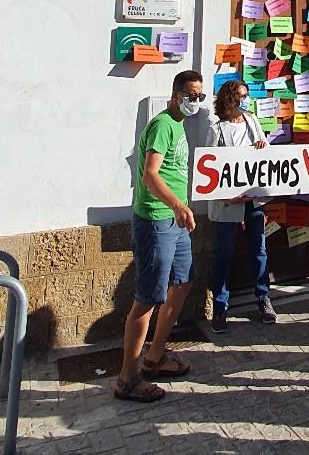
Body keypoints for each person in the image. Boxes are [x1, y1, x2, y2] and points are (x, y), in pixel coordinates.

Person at [114, 70, 203, 403]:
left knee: (183, 282)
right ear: (175, 93)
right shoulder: (164, 125)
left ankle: (155, 358)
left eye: (200, 96)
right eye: (190, 95)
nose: (195, 101)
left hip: (175, 221)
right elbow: (151, 174)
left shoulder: (179, 124)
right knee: (149, 297)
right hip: (156, 220)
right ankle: (127, 378)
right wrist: (178, 205)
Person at [205, 79, 276, 334]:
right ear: (228, 99)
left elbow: (264, 155)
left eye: (246, 96)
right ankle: (220, 305)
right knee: (224, 253)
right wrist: (226, 197)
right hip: (228, 203)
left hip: (253, 199)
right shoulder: (217, 128)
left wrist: (262, 146)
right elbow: (208, 168)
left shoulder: (253, 121)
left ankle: (263, 298)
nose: (244, 101)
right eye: (239, 96)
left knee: (259, 249)